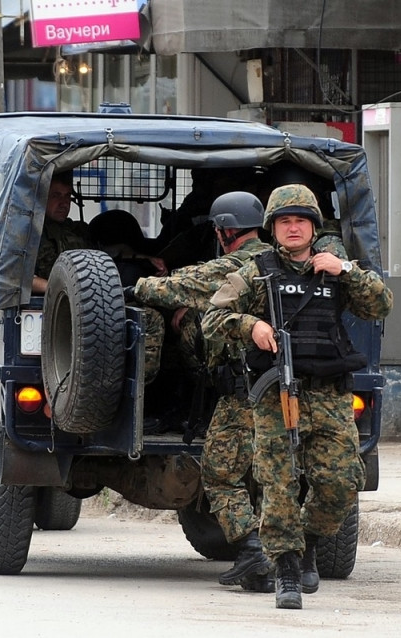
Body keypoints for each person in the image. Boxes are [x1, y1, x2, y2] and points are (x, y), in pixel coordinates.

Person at [202, 184, 393, 610]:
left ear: (313, 227)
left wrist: (346, 271)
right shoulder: (256, 270)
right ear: (273, 228)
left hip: (329, 396)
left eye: (301, 221)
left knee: (342, 483)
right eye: (285, 221)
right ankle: (286, 569)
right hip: (276, 393)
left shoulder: (337, 270)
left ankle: (305, 543)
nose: (293, 228)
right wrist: (251, 326)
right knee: (279, 483)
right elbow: (214, 318)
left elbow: (381, 305)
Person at [124, 191, 274, 591]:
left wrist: (131, 283)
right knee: (281, 473)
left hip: (244, 393)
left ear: (224, 231)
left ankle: (252, 551)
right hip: (291, 389)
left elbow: (169, 290)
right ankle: (291, 559)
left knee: (219, 472)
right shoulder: (286, 263)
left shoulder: (230, 267)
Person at [32, 171, 164, 380]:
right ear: (42, 198)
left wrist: (143, 257)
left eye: (67, 196)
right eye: (56, 195)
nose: (63, 202)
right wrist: (61, 288)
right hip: (58, 307)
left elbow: (105, 252)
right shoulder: (30, 233)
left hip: (94, 303)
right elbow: (22, 278)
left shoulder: (78, 230)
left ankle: (138, 392)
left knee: (148, 318)